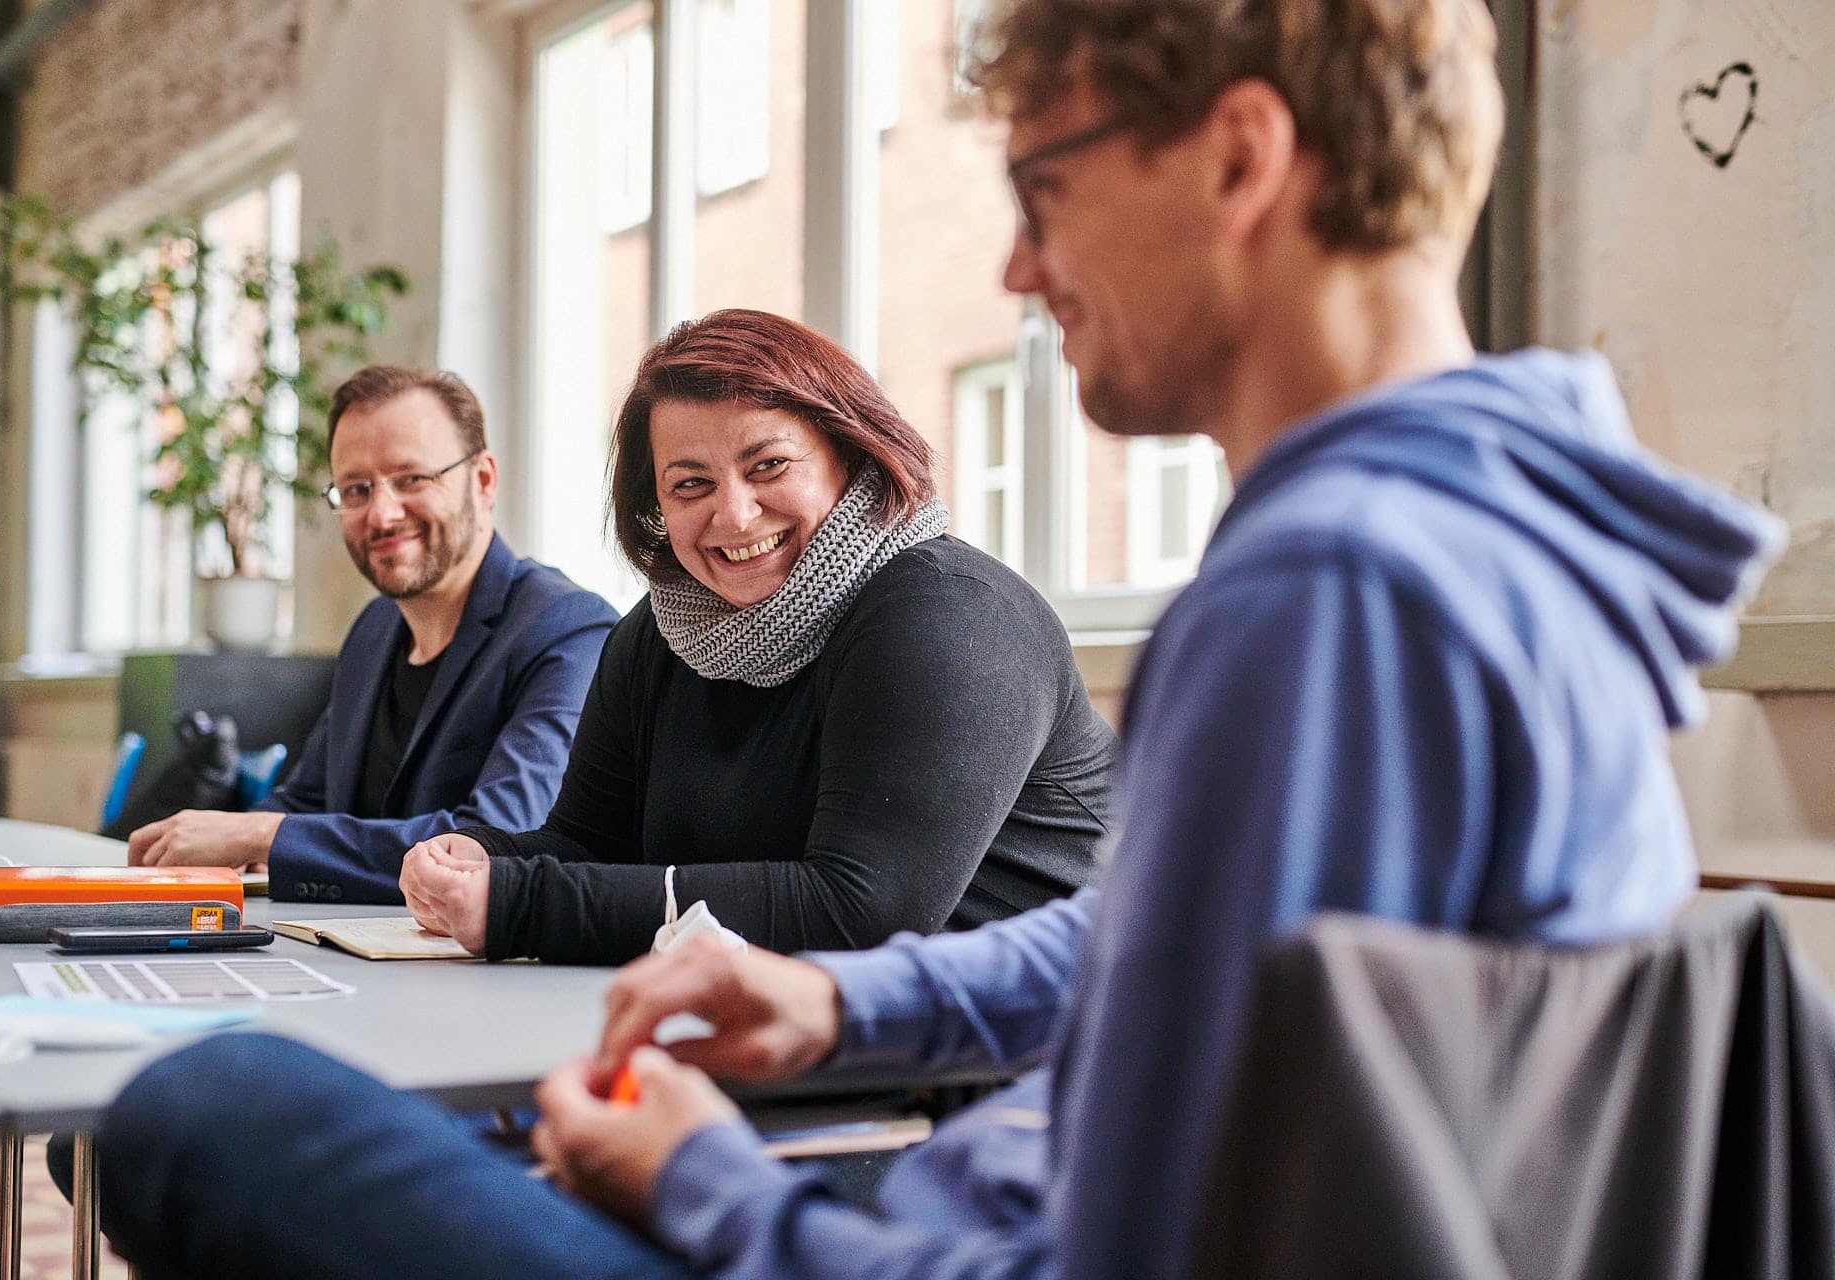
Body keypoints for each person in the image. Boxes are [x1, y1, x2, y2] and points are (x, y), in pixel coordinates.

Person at [89, 1, 1786, 1278]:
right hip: (937, 1181)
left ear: (1241, 157)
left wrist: (711, 1190)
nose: (1019, 261)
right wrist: (836, 1005)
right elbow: (1165, 956)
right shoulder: (1503, 520)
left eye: (1046, 183)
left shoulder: (1325, 602)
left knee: (201, 1108)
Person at [396, 309, 1115, 964]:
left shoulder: (950, 614)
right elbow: (588, 846)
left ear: (852, 453)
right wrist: (483, 862)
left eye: (768, 466)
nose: (735, 515)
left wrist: (522, 905)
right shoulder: (657, 635)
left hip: (1033, 1066)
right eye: (690, 484)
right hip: (794, 1039)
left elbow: (861, 914)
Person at [127, 365, 620, 903]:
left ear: (482, 481)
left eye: (411, 479)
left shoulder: (569, 630)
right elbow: (306, 803)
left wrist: (258, 835)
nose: (382, 515)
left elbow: (498, 842)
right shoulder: (375, 629)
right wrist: (214, 847)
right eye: (356, 490)